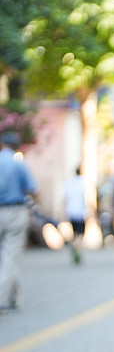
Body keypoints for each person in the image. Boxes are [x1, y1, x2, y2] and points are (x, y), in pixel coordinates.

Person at [0, 131, 37, 313]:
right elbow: (32, 188)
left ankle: (14, 297)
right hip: (14, 210)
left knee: (7, 255)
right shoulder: (17, 163)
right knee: (10, 254)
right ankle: (2, 299)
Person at [63, 167, 87, 264]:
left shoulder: (69, 183)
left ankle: (75, 248)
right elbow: (87, 198)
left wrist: (64, 211)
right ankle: (77, 252)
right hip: (80, 212)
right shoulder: (82, 183)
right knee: (80, 234)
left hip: (71, 211)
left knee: (75, 233)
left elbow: (65, 198)